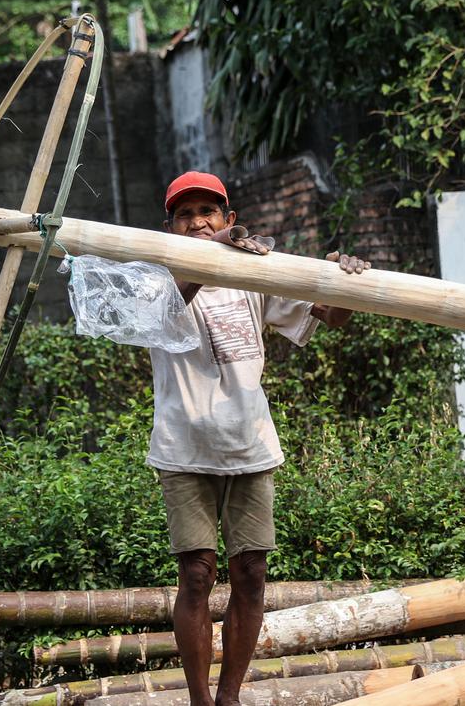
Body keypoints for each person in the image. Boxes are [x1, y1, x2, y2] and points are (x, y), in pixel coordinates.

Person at [149, 171, 369, 706]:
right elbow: (166, 310)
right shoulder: (155, 277)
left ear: (229, 217)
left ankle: (230, 698)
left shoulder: (254, 275)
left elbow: (331, 315)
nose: (198, 221)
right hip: (184, 448)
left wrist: (346, 280)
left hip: (249, 444)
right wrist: (218, 252)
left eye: (209, 212)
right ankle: (201, 701)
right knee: (196, 576)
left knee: (250, 574)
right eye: (186, 214)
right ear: (170, 227)